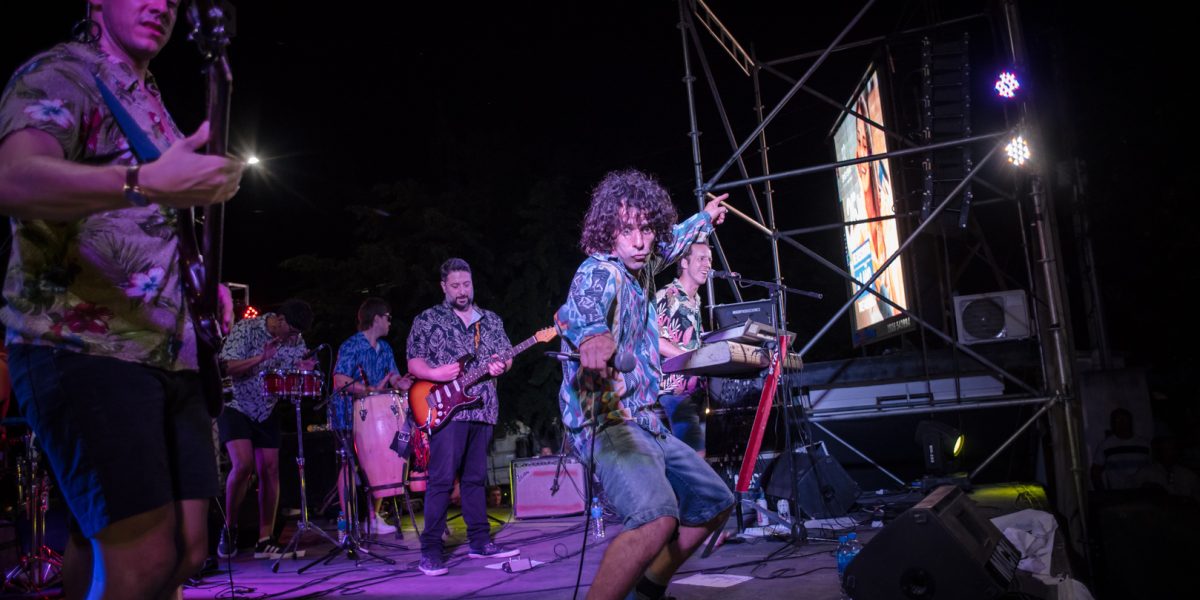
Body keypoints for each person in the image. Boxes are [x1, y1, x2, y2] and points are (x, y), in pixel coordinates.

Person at [0, 0, 243, 596]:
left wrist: (196, 281)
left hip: (171, 354)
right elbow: (13, 179)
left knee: (186, 549)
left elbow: (151, 226)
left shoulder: (148, 99)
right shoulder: (62, 72)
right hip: (84, 346)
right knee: (144, 557)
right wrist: (142, 181)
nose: (161, 5)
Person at [554, 169, 733, 600]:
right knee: (656, 518)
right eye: (626, 231)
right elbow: (582, 305)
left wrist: (706, 217)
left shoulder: (647, 263)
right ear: (608, 232)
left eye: (646, 230)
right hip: (605, 419)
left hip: (645, 419)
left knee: (714, 501)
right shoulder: (602, 271)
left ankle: (647, 591)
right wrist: (594, 337)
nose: (638, 241)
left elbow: (675, 240)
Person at [407, 258, 517, 576]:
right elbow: (414, 362)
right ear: (444, 286)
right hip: (446, 409)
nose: (462, 291)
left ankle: (479, 542)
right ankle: (430, 551)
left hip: (483, 407)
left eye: (466, 284)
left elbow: (506, 356)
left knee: (475, 479)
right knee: (441, 479)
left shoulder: (490, 320)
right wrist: (434, 373)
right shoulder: (428, 319)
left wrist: (501, 365)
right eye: (455, 285)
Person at [216, 299, 316, 559]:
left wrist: (302, 371)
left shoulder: (296, 340)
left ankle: (265, 538)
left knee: (270, 469)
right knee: (243, 465)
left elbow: (291, 377)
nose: (293, 337)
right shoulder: (247, 329)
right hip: (236, 403)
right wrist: (262, 357)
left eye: (297, 333)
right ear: (280, 319)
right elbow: (226, 367)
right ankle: (229, 528)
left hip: (266, 407)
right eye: (291, 330)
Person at [330, 297, 412, 535]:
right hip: (347, 415)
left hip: (377, 418)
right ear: (376, 318)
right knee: (348, 465)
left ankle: (372, 518)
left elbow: (393, 375)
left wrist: (401, 382)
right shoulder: (352, 345)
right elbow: (339, 380)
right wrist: (368, 390)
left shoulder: (385, 348)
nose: (390, 323)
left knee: (378, 463)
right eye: (388, 318)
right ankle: (346, 522)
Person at [655, 240, 712, 456]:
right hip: (675, 390)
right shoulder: (667, 296)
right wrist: (691, 357)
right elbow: (656, 340)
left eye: (709, 260)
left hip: (696, 390)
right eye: (701, 258)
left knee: (693, 460)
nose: (707, 264)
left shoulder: (695, 299)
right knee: (696, 457)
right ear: (684, 263)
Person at [1090, 407, 1153, 491]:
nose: (1122, 423)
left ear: (1130, 422)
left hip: (1143, 493)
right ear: (1112, 424)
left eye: (1124, 420)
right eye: (1118, 421)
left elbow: (1153, 469)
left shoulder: (1144, 444)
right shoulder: (1106, 445)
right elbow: (1095, 472)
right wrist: (1103, 494)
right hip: (1118, 495)